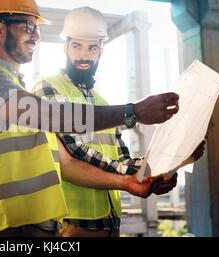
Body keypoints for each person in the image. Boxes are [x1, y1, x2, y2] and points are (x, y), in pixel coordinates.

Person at [0, 0, 181, 237]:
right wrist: (132, 112)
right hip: (1, 230)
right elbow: (54, 116)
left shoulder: (21, 93)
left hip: (39, 231)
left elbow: (67, 164)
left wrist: (129, 182)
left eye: (37, 28)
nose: (36, 36)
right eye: (28, 26)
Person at [32, 6, 205, 237]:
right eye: (76, 46)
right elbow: (75, 153)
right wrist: (134, 177)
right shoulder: (47, 87)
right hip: (71, 227)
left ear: (101, 51)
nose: (84, 55)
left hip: (110, 225)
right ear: (65, 48)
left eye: (92, 47)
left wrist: (172, 161)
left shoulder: (102, 102)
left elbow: (121, 161)